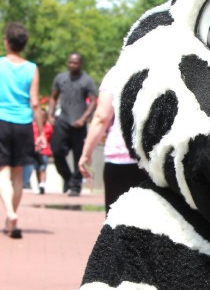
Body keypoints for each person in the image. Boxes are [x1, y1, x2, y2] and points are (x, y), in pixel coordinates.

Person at [79, 65, 145, 212]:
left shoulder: (118, 72)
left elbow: (102, 116)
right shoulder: (168, 67)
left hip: (122, 154)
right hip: (156, 159)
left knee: (117, 221)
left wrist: (86, 154)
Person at [0, 21, 44, 238]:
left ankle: (9, 212)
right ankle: (11, 220)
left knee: (2, 172)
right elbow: (35, 103)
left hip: (2, 121)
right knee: (18, 175)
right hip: (23, 123)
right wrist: (42, 132)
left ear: (6, 42)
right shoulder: (31, 68)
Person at [48, 52, 97, 196]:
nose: (72, 65)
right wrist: (51, 115)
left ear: (80, 64)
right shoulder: (60, 78)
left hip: (79, 125)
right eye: (70, 62)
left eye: (75, 63)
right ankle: (68, 178)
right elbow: (52, 98)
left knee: (79, 156)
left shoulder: (87, 81)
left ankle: (75, 186)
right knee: (56, 151)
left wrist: (83, 119)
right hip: (62, 121)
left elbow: (93, 101)